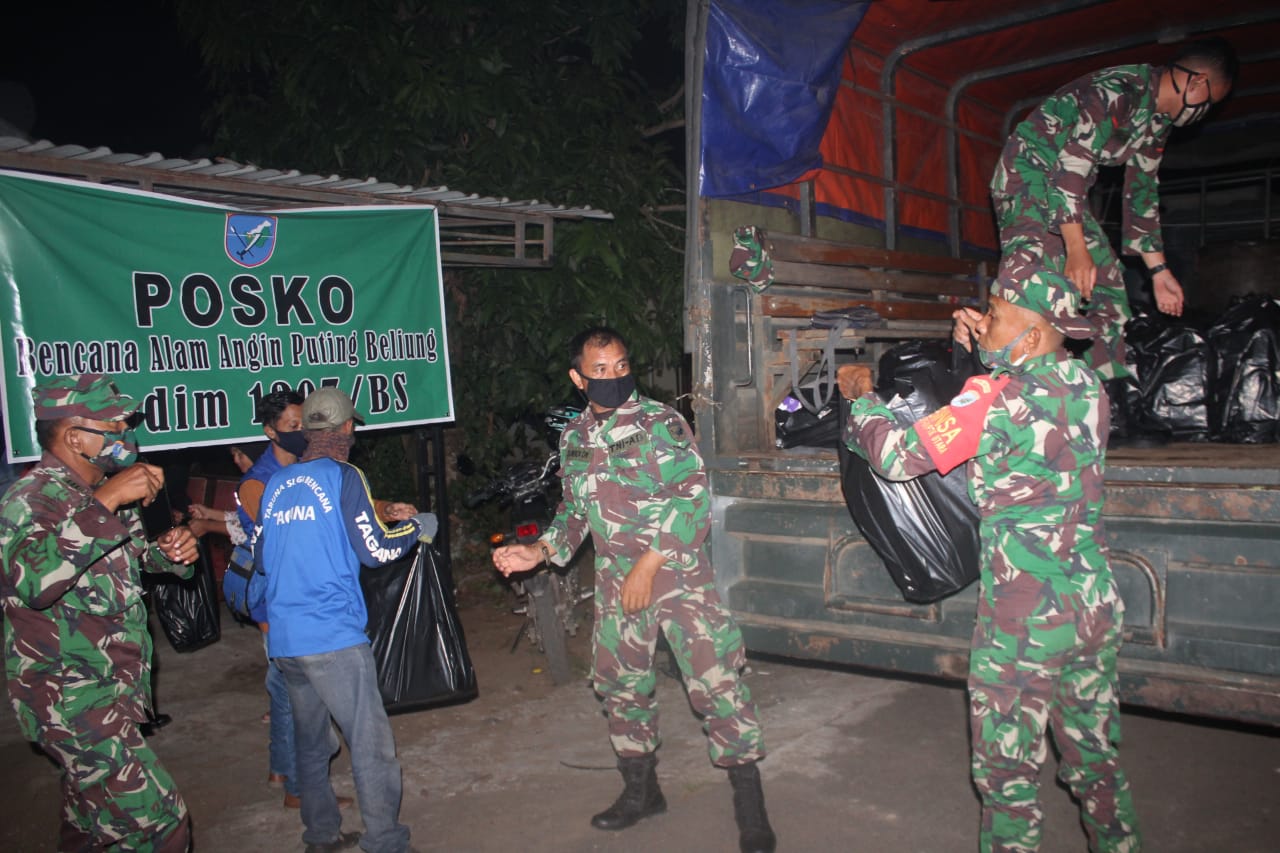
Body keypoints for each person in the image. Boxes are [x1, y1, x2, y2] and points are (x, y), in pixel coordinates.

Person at [838, 273, 1141, 853]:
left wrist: (861, 401)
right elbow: (1024, 383)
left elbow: (898, 458)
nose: (984, 318)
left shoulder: (993, 397)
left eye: (995, 313)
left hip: (1025, 621)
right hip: (1094, 604)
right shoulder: (1087, 382)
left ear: (1027, 340)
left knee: (1007, 776)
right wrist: (993, 346)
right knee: (1095, 761)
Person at [492, 326, 776, 853]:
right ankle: (642, 794)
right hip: (615, 585)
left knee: (717, 687)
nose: (614, 377)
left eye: (622, 366)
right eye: (600, 370)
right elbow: (576, 514)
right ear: (578, 378)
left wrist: (648, 564)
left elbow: (692, 496)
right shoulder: (574, 437)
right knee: (622, 689)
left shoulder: (659, 422)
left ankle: (751, 810)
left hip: (676, 578)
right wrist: (540, 551)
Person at [0, 373, 200, 851]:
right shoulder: (29, 500)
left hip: (112, 689)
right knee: (163, 825)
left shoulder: (97, 496)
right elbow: (35, 583)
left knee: (91, 826)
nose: (124, 436)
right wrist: (107, 499)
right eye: (111, 426)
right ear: (73, 436)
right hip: (70, 698)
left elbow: (120, 562)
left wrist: (168, 556)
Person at [990, 37, 1237, 385]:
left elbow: (1142, 194)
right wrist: (1076, 249)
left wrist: (1159, 272)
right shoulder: (1121, 89)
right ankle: (1010, 387)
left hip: (1066, 195)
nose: (1204, 112)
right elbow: (1071, 165)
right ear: (1196, 82)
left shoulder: (1156, 122)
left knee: (1107, 283)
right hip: (1028, 176)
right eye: (1209, 102)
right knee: (1031, 276)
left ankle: (1107, 390)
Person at [256, 387, 434, 853]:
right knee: (370, 746)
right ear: (347, 428)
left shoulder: (278, 483)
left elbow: (261, 556)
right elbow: (375, 551)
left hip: (287, 642)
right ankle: (386, 842)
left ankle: (321, 836)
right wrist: (416, 530)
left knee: (312, 747)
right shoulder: (343, 476)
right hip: (331, 636)